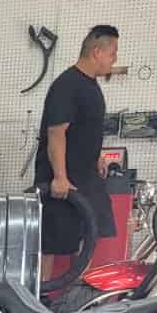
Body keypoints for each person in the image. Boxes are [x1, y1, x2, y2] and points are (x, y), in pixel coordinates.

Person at [33, 25, 120, 269]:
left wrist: (96, 156)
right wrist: (60, 177)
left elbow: (84, 128)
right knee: (49, 244)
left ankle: (80, 297)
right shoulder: (67, 84)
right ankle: (40, 300)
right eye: (112, 53)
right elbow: (56, 132)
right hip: (61, 181)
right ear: (96, 52)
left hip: (86, 177)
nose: (115, 59)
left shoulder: (90, 85)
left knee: (90, 237)